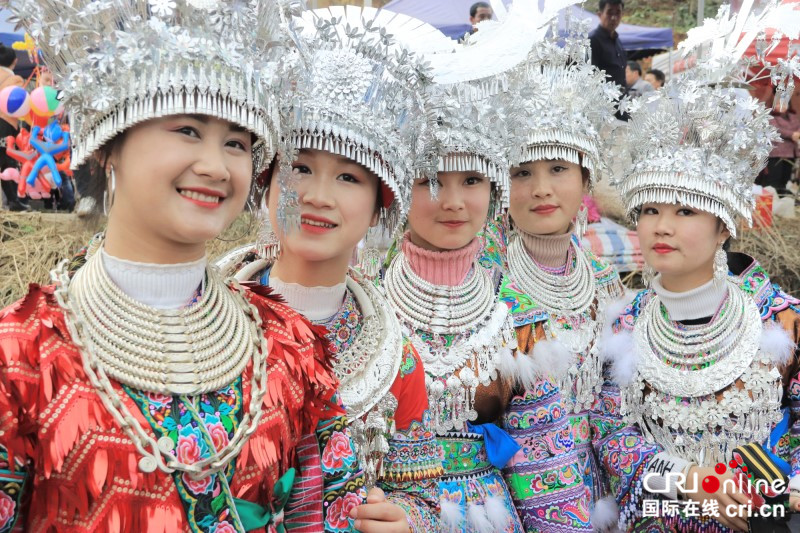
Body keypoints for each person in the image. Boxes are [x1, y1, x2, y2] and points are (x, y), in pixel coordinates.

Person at [0, 2, 349, 531]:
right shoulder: (22, 358)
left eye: (236, 142)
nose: (214, 165)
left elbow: (322, 515)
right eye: (187, 128)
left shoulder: (288, 347)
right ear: (108, 145)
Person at [218, 9, 443, 533]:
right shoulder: (205, 315)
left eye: (346, 176)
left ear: (379, 204)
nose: (317, 197)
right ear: (267, 182)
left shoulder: (394, 358)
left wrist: (405, 518)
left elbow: (421, 491)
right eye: (299, 167)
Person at [597, 4, 800, 531]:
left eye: (685, 210)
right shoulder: (623, 323)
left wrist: (764, 487)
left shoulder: (780, 317)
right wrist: (690, 482)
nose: (661, 227)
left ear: (724, 226)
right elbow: (611, 439)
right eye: (650, 211)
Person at [479, 27, 625, 531]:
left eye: (558, 168)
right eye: (522, 172)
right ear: (501, 184)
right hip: (513, 494)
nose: (541, 189)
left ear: (586, 181)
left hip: (605, 487)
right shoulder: (483, 283)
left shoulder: (604, 280)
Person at [0, 44, 29, 211]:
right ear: (15, 61)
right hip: (4, 124)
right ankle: (13, 200)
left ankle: (12, 200)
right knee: (7, 162)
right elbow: (19, 105)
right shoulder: (15, 80)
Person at [757, 88, 799, 196]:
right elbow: (775, 129)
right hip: (775, 154)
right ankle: (769, 205)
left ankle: (781, 204)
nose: (782, 105)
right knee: (773, 181)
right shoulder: (769, 115)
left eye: (784, 103)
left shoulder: (793, 116)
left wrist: (797, 133)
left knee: (785, 181)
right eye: (779, 103)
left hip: (791, 153)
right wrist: (792, 135)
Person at [589, 0, 626, 94]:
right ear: (600, 14)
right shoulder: (592, 40)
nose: (614, 18)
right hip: (602, 104)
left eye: (618, 13)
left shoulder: (618, 41)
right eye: (610, 13)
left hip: (620, 103)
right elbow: (588, 78)